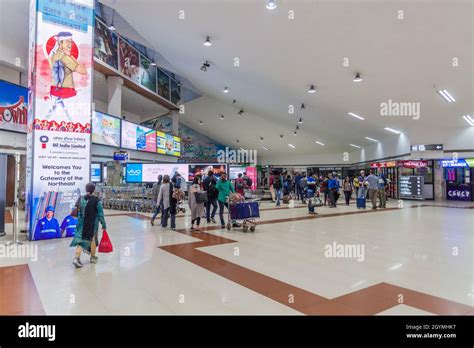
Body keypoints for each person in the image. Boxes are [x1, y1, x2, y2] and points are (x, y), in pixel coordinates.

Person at [70, 183, 107, 268]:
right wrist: (103, 224)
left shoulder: (81, 198)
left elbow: (77, 211)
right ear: (94, 190)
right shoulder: (97, 201)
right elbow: (100, 214)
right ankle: (92, 257)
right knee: (92, 239)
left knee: (81, 239)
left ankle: (77, 258)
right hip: (92, 223)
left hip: (81, 222)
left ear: (86, 189)